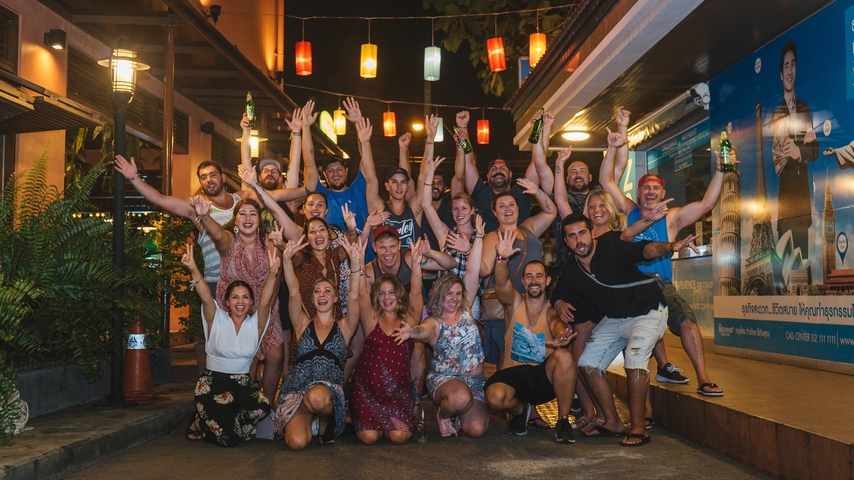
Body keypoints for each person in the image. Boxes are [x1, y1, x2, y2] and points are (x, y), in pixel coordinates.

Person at [551, 212, 698, 446]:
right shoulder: (571, 266)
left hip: (648, 310)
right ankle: (612, 422)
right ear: (567, 242)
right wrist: (559, 304)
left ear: (591, 233)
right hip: (616, 317)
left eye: (582, 233)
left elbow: (644, 250)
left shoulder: (610, 248)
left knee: (635, 358)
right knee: (587, 362)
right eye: (572, 236)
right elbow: (558, 292)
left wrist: (671, 246)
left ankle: (640, 427)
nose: (579, 240)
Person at [600, 125, 725, 397]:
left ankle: (703, 378)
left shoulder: (672, 218)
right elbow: (607, 182)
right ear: (639, 193)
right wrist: (612, 147)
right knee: (644, 321)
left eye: (655, 188)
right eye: (645, 187)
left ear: (661, 193)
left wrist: (721, 170)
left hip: (660, 282)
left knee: (688, 322)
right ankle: (664, 365)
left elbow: (706, 205)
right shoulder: (630, 211)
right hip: (631, 284)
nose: (650, 192)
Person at [392, 216, 487, 438]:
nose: (453, 298)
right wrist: (410, 331)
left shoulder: (464, 311)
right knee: (460, 399)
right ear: (439, 295)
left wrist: (479, 237)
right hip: (446, 381)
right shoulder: (435, 321)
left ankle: (459, 412)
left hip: (475, 382)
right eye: (448, 294)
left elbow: (472, 271)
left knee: (477, 430)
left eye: (457, 293)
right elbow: (423, 331)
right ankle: (444, 414)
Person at [190, 192, 284, 405]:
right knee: (246, 360)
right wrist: (205, 217)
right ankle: (241, 407)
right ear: (235, 219)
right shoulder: (229, 241)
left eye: (253, 214)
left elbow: (276, 281)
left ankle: (265, 408)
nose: (248, 218)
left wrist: (266, 311)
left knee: (276, 357)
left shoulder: (270, 243)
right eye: (243, 214)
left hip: (265, 306)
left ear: (259, 220)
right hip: (235, 308)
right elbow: (217, 234)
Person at [181, 241, 277, 447]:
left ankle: (214, 421)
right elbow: (206, 295)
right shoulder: (216, 318)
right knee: (231, 440)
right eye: (235, 297)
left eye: (245, 297)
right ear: (227, 302)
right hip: (211, 384)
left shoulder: (255, 325)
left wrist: (273, 274)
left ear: (252, 302)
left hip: (240, 384)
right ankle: (206, 421)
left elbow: (267, 301)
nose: (240, 301)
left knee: (262, 407)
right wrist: (193, 268)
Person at [274, 234, 365, 450]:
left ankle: (325, 419)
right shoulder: (302, 323)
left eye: (327, 291)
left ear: (335, 298)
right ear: (313, 298)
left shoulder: (345, 326)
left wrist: (355, 262)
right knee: (296, 443)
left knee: (317, 397)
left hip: (326, 391)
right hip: (298, 388)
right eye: (316, 291)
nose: (321, 294)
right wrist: (286, 259)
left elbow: (353, 296)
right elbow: (294, 291)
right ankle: (310, 420)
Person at [484, 238, 577, 442]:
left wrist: (561, 336)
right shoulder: (514, 303)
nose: (534, 281)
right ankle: (521, 410)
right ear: (524, 282)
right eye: (529, 277)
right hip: (513, 375)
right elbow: (501, 283)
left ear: (547, 281)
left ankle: (563, 421)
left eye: (539, 276)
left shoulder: (551, 312)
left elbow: (556, 325)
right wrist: (501, 259)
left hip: (540, 378)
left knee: (564, 357)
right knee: (493, 397)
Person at [350, 247, 426, 445]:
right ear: (377, 296)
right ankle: (371, 423)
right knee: (369, 438)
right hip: (367, 391)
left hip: (397, 394)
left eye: (391, 292)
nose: (386, 298)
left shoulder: (408, 319)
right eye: (382, 293)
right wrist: (357, 263)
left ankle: (387, 424)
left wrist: (416, 265)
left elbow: (417, 293)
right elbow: (360, 292)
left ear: (399, 295)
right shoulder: (371, 317)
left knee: (399, 437)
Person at [478, 181, 557, 365]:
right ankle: (502, 393)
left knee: (533, 358)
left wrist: (538, 191)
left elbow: (551, 212)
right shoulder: (492, 236)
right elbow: (484, 270)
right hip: (505, 305)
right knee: (507, 360)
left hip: (533, 303)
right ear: (495, 212)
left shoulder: (528, 227)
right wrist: (469, 251)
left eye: (511, 204)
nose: (507, 208)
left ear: (518, 208)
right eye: (502, 206)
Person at [457, 110, 554, 233]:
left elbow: (538, 162)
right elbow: (469, 164)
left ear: (511, 174)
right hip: (487, 248)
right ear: (488, 176)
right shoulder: (480, 192)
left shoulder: (523, 190)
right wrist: (462, 127)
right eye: (493, 169)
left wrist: (539, 128)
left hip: (520, 246)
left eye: (502, 168)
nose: (498, 171)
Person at [772, 40, 818, 258]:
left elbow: (815, 150)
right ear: (781, 74)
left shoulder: (805, 107)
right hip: (787, 204)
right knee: (788, 272)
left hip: (802, 202)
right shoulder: (777, 114)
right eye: (786, 66)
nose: (790, 71)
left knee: (804, 265)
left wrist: (799, 151)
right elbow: (784, 154)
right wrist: (802, 145)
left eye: (793, 65)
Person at [421, 155, 482, 313]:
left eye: (464, 208)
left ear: (472, 211)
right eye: (455, 208)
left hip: (471, 300)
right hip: (444, 299)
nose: (459, 212)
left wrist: (468, 249)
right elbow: (426, 205)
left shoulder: (481, 237)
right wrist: (430, 174)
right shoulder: (446, 234)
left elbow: (485, 270)